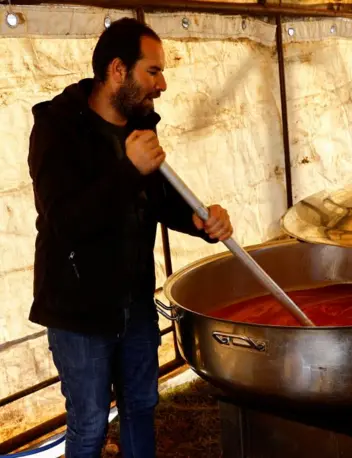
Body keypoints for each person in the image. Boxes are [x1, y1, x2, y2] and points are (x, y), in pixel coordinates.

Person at [27, 18, 232, 458]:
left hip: (134, 304)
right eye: (153, 71)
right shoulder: (57, 128)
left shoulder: (140, 125)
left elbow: (155, 198)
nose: (162, 84)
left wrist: (199, 220)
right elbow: (64, 221)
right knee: (89, 426)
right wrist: (127, 170)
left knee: (141, 408)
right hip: (78, 312)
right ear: (119, 70)